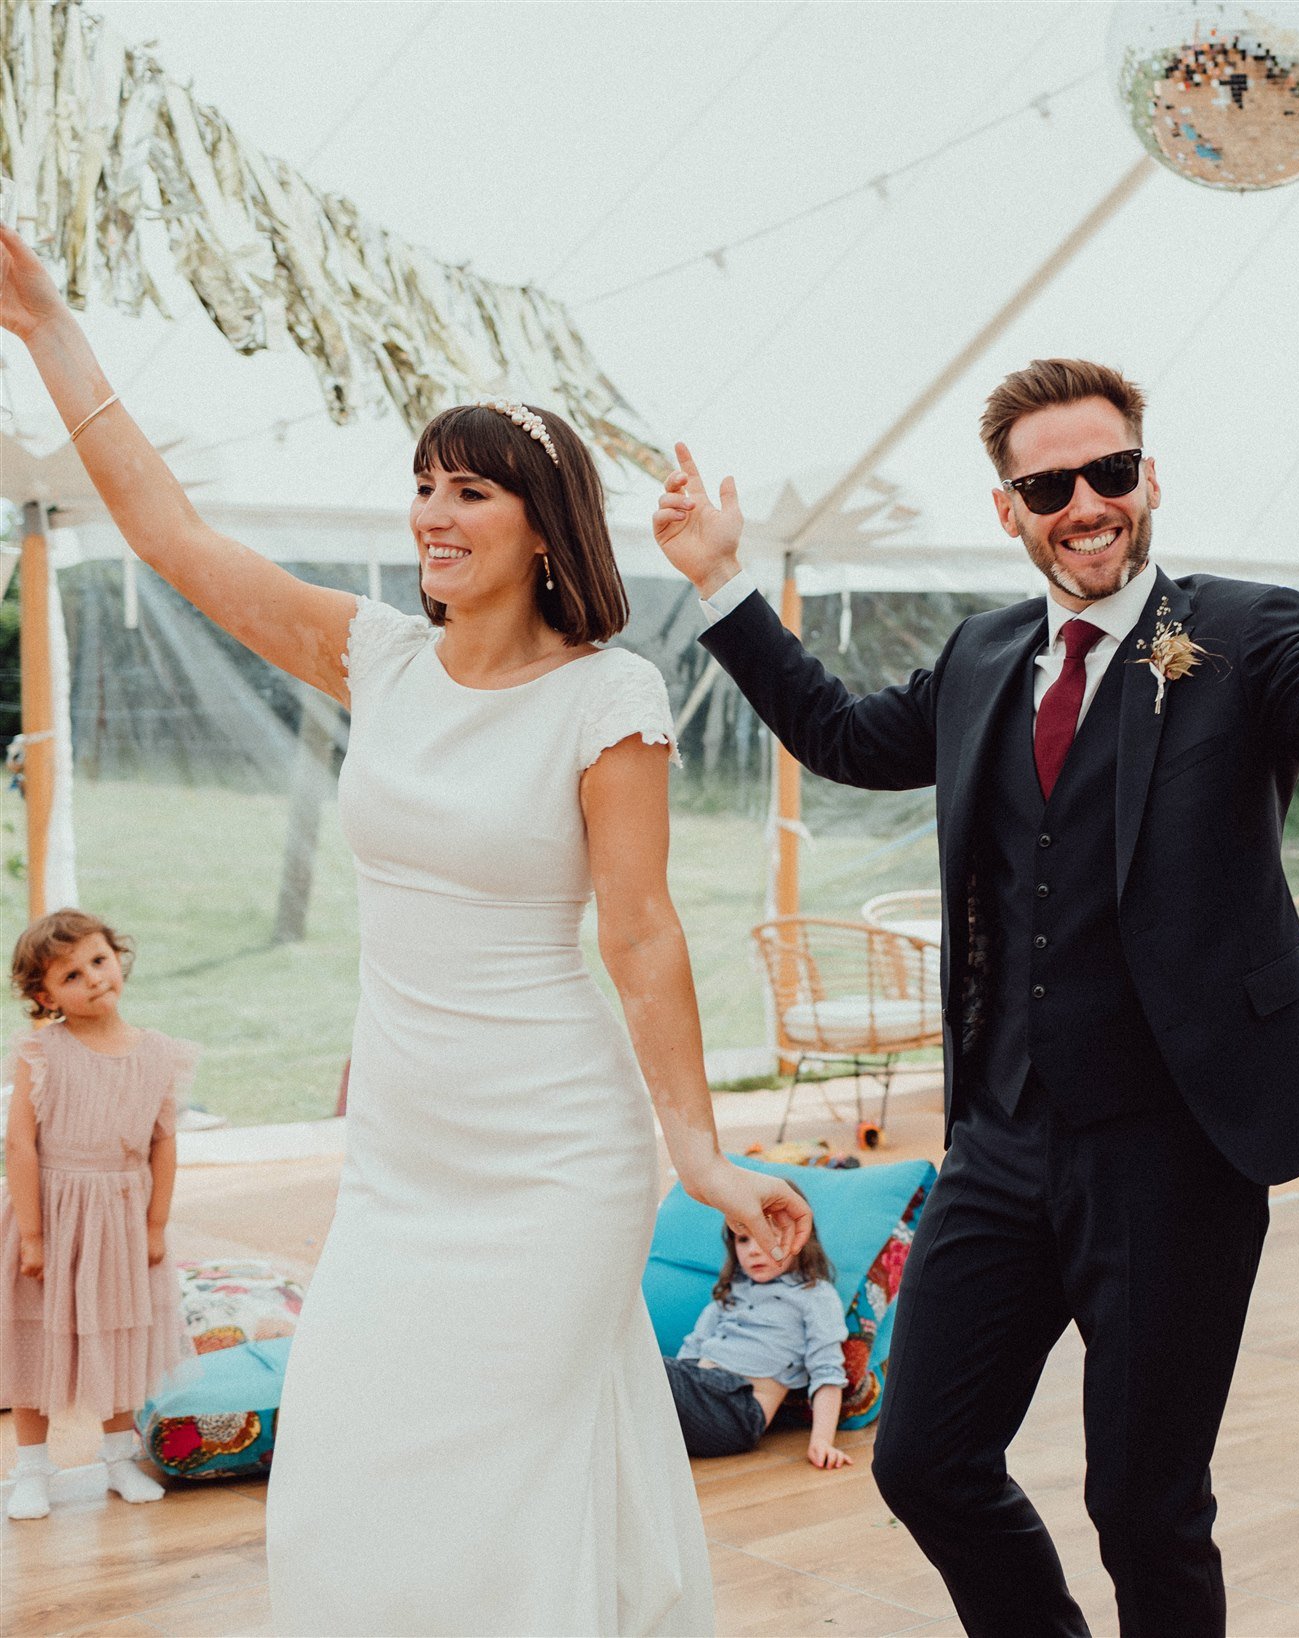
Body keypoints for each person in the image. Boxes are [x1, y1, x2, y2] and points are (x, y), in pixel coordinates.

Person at [0, 221, 810, 1636]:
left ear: (544, 524)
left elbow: (642, 934)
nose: (434, 513)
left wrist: (699, 1151)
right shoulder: (374, 655)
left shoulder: (605, 697)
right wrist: (49, 330)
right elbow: (172, 536)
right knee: (348, 1460)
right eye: (423, 486)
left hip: (559, 1152)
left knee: (510, 1475)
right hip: (402, 1156)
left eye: (472, 490)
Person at [653, 314, 1299, 1636]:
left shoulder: (1241, 630)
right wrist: (719, 584)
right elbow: (837, 730)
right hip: (1001, 1146)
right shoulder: (985, 657)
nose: (1088, 505)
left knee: (1145, 1502)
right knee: (923, 1460)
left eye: (1112, 473)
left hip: (1176, 1150)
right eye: (1052, 487)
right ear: (1010, 509)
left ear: (1150, 478)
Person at [1, 910, 193, 1522]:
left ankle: (116, 1460)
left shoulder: (158, 1053)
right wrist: (32, 1233)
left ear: (119, 957)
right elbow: (19, 1145)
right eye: (70, 975)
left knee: (117, 1336)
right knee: (36, 1341)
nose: (92, 979)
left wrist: (155, 1223)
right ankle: (32, 1468)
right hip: (53, 1214)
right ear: (44, 995)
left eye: (98, 961)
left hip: (119, 1218)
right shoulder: (43, 1052)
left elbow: (164, 1142)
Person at [666, 1185, 853, 1470]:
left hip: (739, 1409)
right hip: (698, 1393)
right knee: (623, 1371)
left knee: (645, 1368)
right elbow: (689, 1355)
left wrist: (822, 1441)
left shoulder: (814, 1295)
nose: (754, 1251)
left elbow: (827, 1371)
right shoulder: (729, 1294)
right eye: (743, 1239)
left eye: (768, 1236)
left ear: (798, 1237)